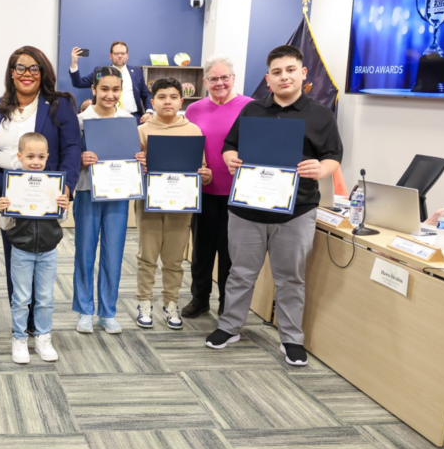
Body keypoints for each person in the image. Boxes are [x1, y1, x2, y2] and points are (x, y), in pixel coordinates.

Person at [206, 45, 343, 366]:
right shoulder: (252, 110)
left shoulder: (320, 115)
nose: (284, 77)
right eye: (277, 72)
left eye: (290, 70)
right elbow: (230, 146)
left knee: (290, 277)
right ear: (268, 78)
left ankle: (291, 338)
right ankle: (230, 327)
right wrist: (230, 159)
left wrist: (321, 169)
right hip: (247, 210)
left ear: (303, 73)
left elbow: (333, 156)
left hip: (296, 212)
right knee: (240, 273)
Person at [0, 46, 82, 311]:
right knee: (14, 257)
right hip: (8, 192)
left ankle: (39, 321)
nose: (27, 73)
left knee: (41, 258)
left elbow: (72, 148)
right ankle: (20, 323)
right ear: (11, 73)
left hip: (44, 193)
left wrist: (67, 187)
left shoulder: (59, 105)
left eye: (34, 68)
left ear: (42, 71)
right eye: (21, 68)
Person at [134, 78, 212, 330]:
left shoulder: (193, 130)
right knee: (147, 256)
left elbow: (201, 168)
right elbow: (132, 170)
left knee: (174, 258)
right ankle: (144, 302)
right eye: (161, 97)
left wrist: (205, 175)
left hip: (181, 205)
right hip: (149, 204)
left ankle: (171, 303)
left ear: (181, 101)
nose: (167, 101)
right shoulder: (142, 131)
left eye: (173, 97)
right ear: (153, 101)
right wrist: (139, 166)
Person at [182, 56, 253, 318]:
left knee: (230, 253)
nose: (220, 83)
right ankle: (200, 298)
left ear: (233, 79)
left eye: (225, 78)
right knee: (201, 250)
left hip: (238, 193)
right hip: (202, 192)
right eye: (213, 78)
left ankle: (227, 302)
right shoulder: (194, 109)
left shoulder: (250, 107)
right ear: (205, 82)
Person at [0, 132, 69, 364]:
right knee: (21, 297)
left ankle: (43, 336)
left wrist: (63, 207)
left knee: (45, 296)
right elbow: (6, 224)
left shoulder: (53, 184)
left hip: (49, 250)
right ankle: (19, 339)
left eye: (40, 157)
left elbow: (62, 219)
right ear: (19, 156)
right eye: (30, 156)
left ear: (47, 157)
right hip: (21, 250)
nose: (35, 162)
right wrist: (2, 209)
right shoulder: (13, 185)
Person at [72, 67, 130, 335]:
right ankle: (85, 310)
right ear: (93, 90)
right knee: (85, 252)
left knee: (113, 253)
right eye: (104, 89)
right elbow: (66, 157)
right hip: (87, 191)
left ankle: (107, 312)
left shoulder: (128, 120)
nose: (110, 95)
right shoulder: (80, 121)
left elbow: (134, 160)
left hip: (118, 194)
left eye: (115, 89)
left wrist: (140, 160)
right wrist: (79, 159)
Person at [69, 41, 152, 119]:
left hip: (133, 117)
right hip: (107, 117)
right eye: (116, 53)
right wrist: (74, 63)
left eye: (123, 53)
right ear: (110, 56)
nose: (120, 56)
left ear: (127, 55)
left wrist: (149, 111)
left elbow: (145, 94)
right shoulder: (101, 72)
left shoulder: (137, 72)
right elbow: (78, 83)